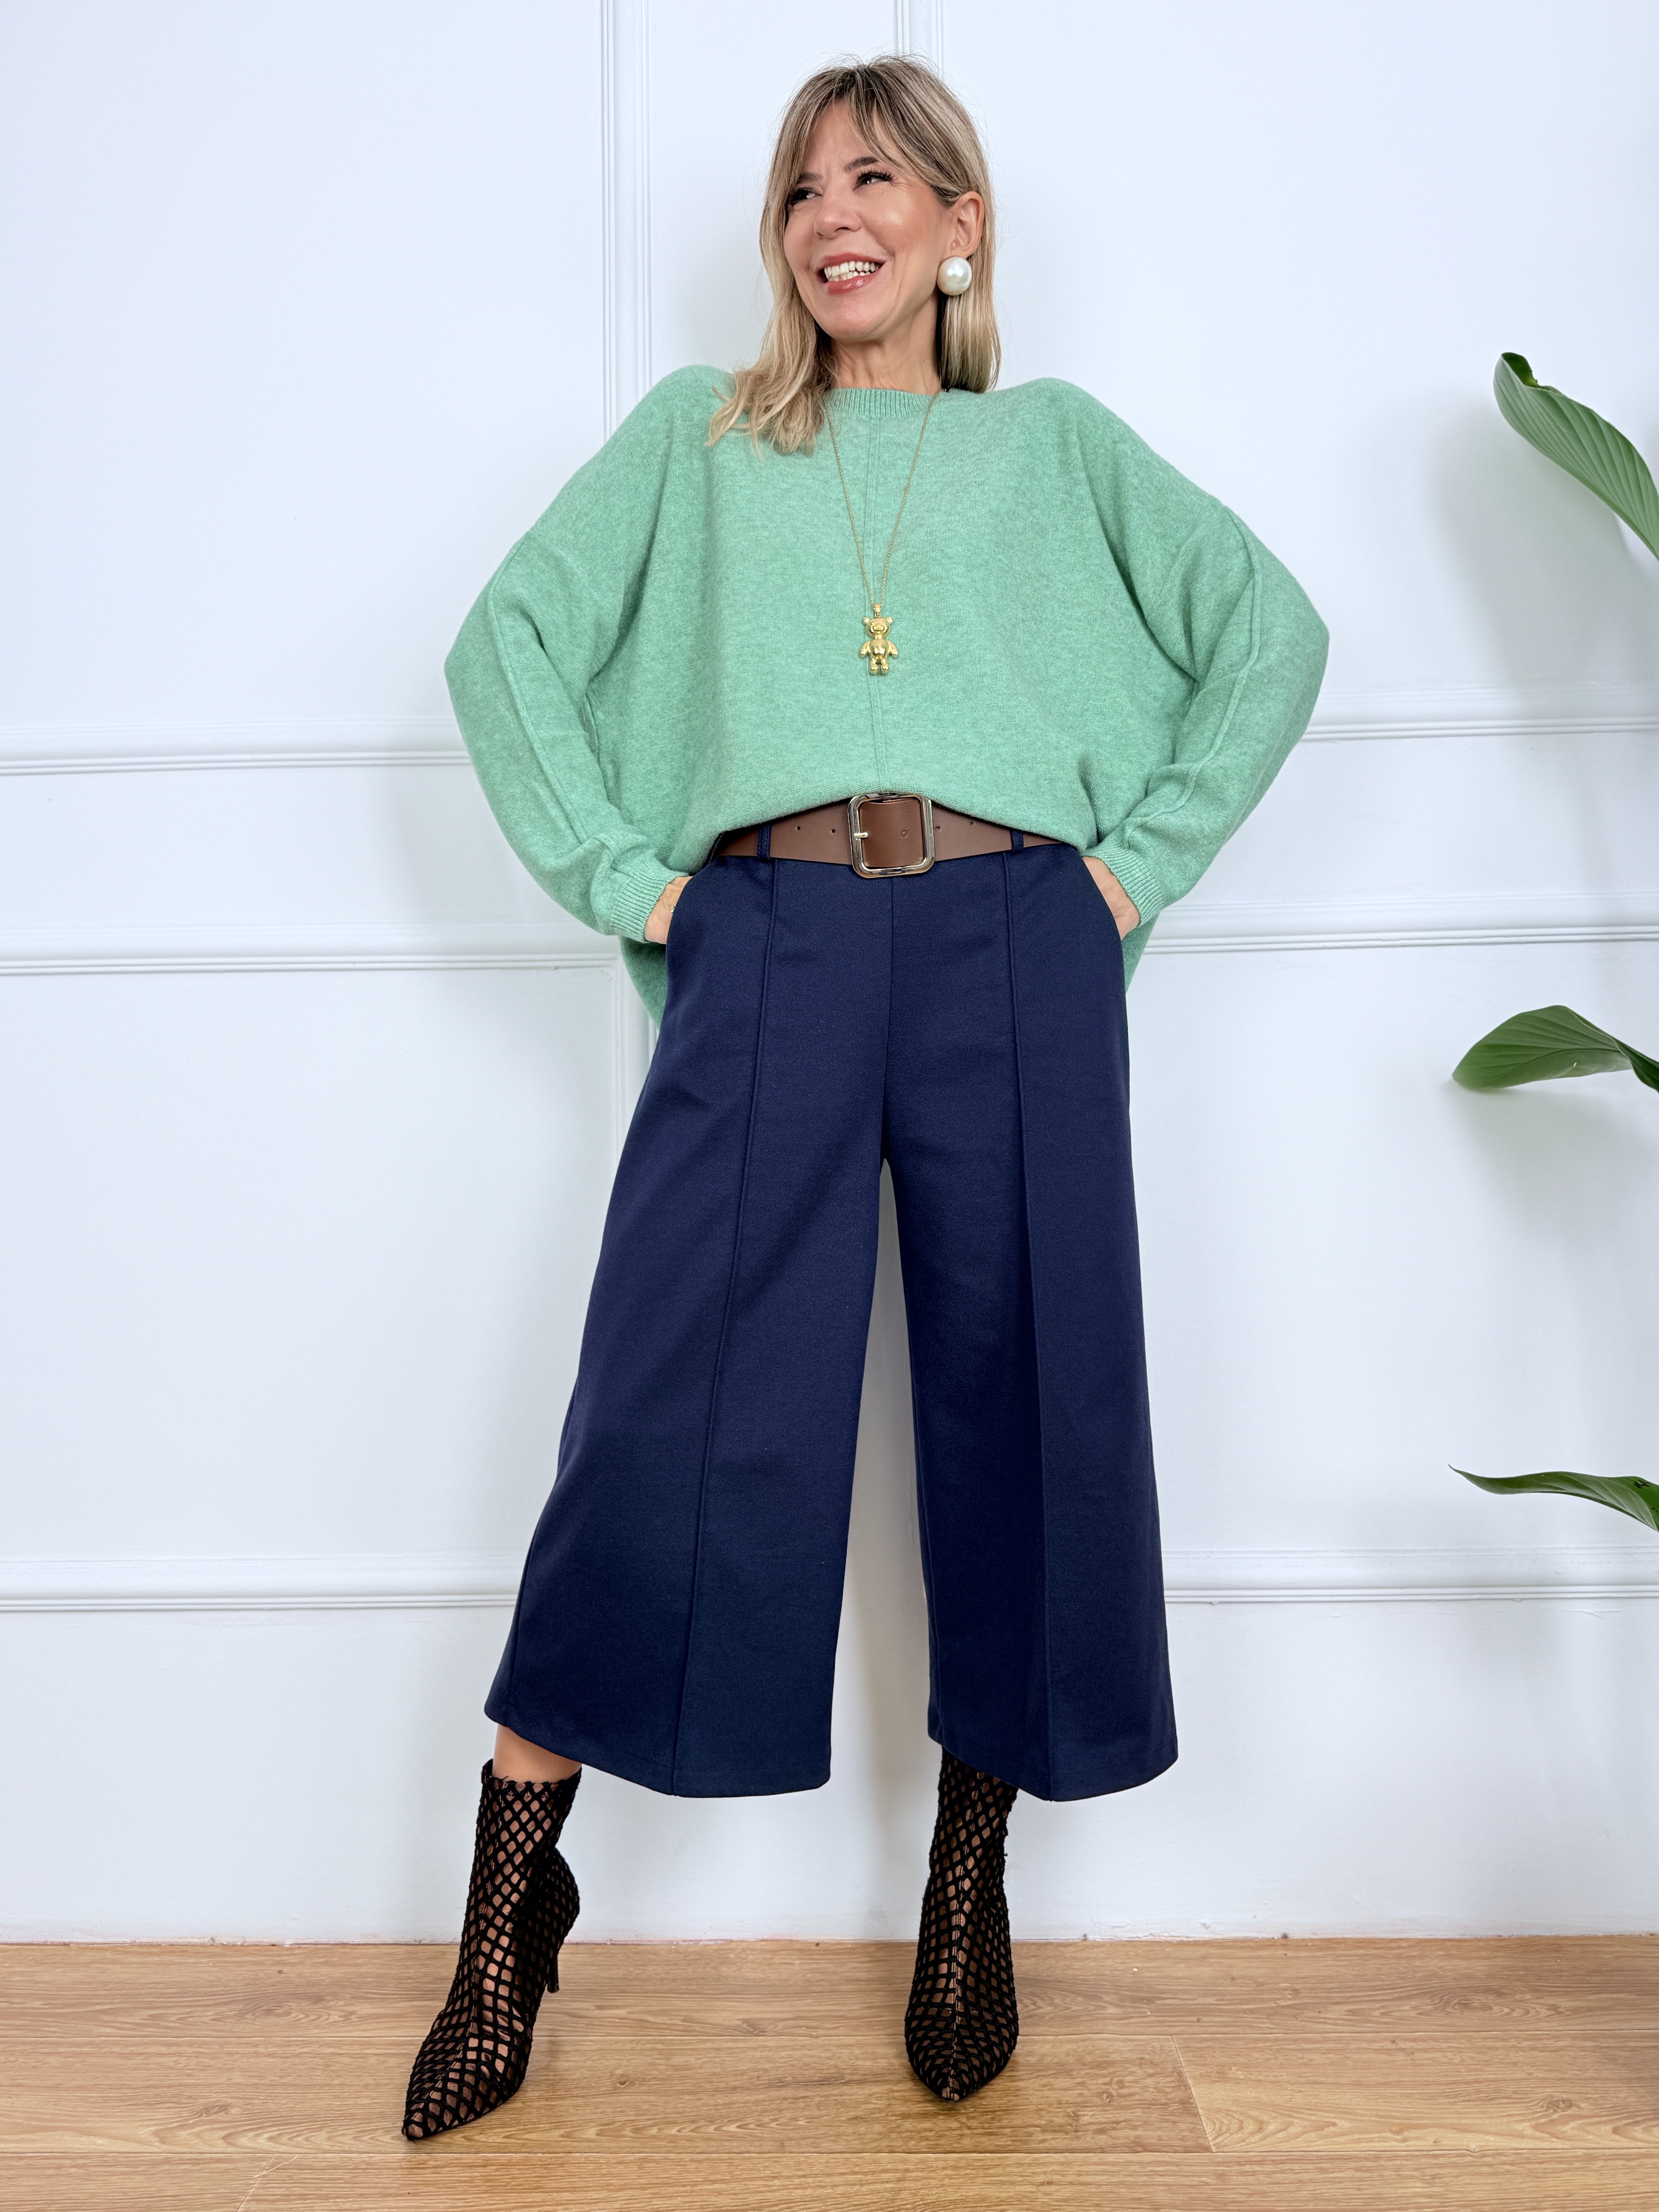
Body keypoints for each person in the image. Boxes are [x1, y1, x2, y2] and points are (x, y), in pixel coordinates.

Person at [403, 55, 1327, 2137]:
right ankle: (507, 1914)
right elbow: (502, 647)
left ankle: (968, 1879)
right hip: (772, 936)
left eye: (881, 179)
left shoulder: (1058, 448)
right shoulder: (699, 441)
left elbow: (1270, 634)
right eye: (806, 187)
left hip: (1018, 936)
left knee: (1029, 1395)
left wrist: (1128, 875)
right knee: (666, 1405)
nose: (839, 216)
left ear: (958, 226)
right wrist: (633, 884)